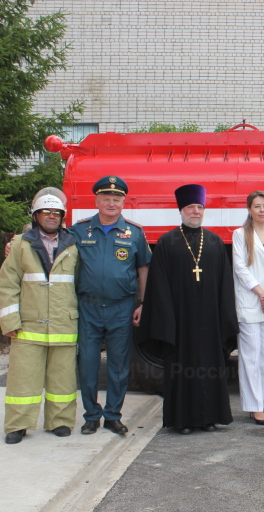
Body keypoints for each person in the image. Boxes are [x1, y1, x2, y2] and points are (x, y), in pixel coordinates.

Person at [138, 184, 237, 433]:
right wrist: (166, 322)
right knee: (182, 370)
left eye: (200, 207)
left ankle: (210, 417)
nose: (196, 211)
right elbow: (157, 287)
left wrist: (225, 319)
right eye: (191, 207)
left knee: (211, 367)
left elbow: (226, 285)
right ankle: (182, 420)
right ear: (181, 210)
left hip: (210, 321)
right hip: (180, 321)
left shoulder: (214, 242)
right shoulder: (167, 242)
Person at [0, 188, 79, 444]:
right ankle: (17, 425)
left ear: (62, 217)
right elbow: (7, 285)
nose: (52, 216)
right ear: (36, 215)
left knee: (63, 379)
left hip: (64, 323)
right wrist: (10, 321)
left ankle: (60, 421)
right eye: (46, 212)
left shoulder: (74, 245)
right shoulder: (21, 244)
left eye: (57, 213)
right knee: (23, 379)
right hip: (28, 326)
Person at [70, 176, 152, 435]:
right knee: (88, 365)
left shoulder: (134, 232)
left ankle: (113, 415)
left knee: (118, 366)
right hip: (88, 307)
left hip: (121, 308)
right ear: (96, 200)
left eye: (117, 199)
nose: (111, 203)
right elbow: (53, 252)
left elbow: (143, 269)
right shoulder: (78, 231)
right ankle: (91, 416)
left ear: (124, 202)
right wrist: (15, 242)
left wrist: (143, 303)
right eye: (106, 198)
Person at [232, 191, 264, 425]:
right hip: (252, 302)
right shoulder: (240, 234)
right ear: (249, 209)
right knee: (250, 357)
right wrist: (262, 293)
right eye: (257, 206)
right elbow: (240, 268)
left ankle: (261, 401)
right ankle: (255, 407)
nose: (262, 210)